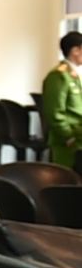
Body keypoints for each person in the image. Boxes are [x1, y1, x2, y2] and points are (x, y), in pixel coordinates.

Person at [44, 31, 82, 170]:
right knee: (66, 182)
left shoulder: (73, 75)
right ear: (75, 50)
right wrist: (68, 136)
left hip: (78, 139)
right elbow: (54, 112)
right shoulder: (59, 75)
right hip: (67, 142)